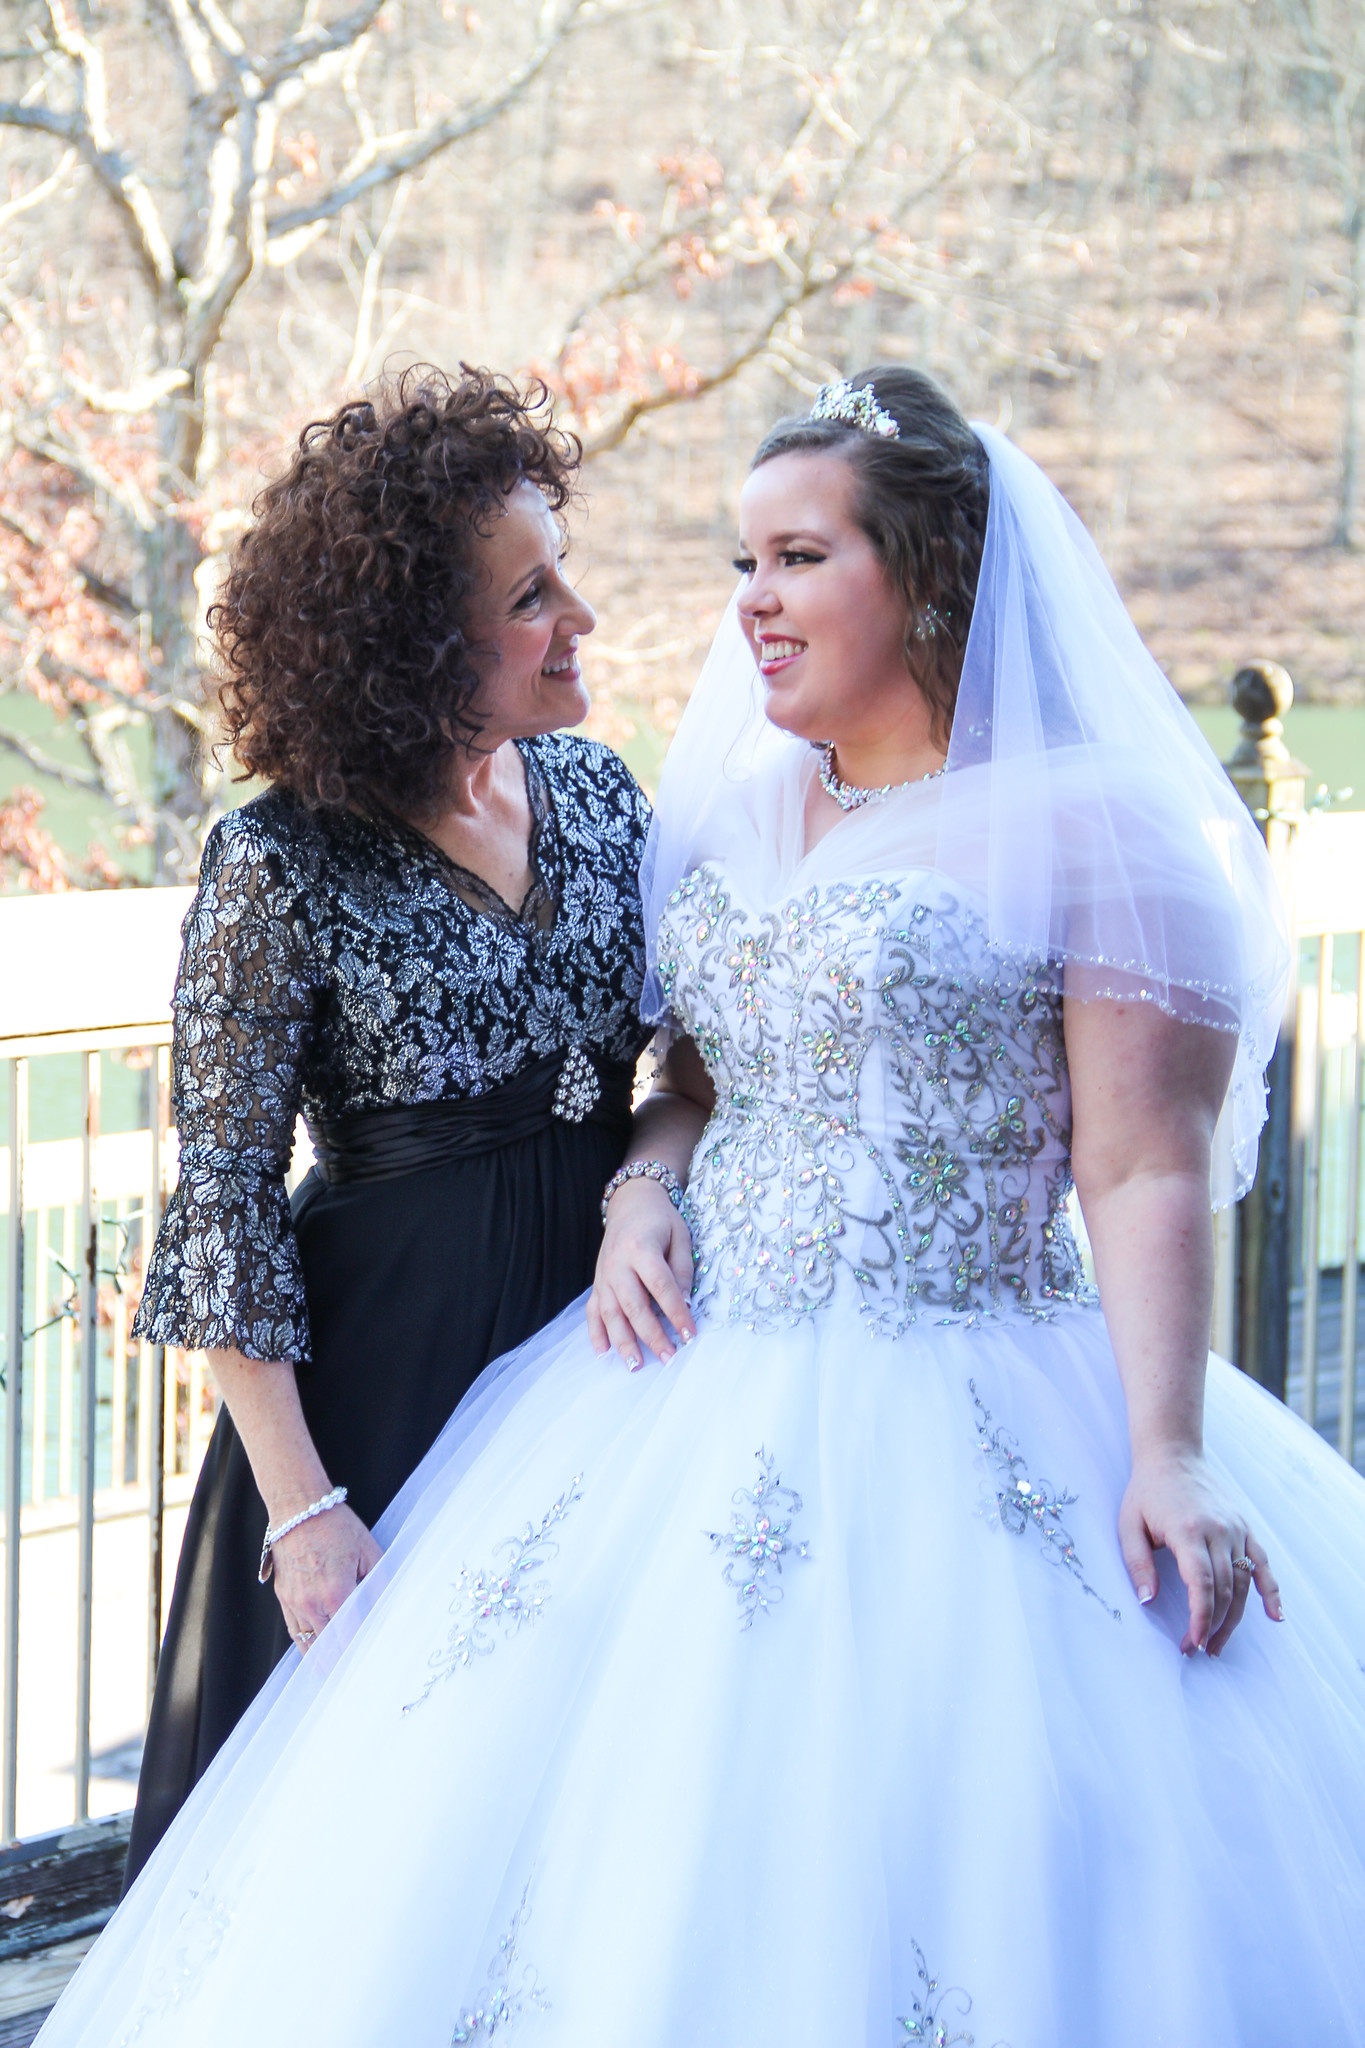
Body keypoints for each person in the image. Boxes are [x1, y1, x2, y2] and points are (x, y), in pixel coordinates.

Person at [50, 368, 1365, 2045]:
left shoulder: (917, 823)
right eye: (740, 562)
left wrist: (1162, 1447)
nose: (735, 606)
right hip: (526, 1360)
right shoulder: (588, 827)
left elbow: (1110, 1155)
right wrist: (629, 1204)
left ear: (933, 579)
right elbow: (639, 1081)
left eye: (795, 559)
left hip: (865, 1345)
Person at [123, 366, 652, 1882]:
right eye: (532, 594)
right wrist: (304, 1512)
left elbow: (695, 1039)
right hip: (384, 1393)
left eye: (565, 572)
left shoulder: (605, 798)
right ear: (417, 646)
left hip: (602, 1349)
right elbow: (224, 1199)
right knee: (372, 1841)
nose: (581, 618)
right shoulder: (276, 860)